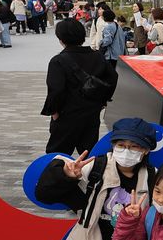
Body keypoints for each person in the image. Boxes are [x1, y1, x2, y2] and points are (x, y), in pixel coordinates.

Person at [40, 17, 118, 155]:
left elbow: (56, 90)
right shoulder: (97, 56)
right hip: (91, 114)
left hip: (67, 115)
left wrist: (54, 112)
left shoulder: (58, 61)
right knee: (89, 154)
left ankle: (60, 170)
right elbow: (113, 77)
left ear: (61, 39)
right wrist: (103, 100)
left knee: (58, 155)